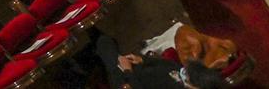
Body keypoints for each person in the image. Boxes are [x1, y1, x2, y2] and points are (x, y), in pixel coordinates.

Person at [91, 32, 226, 89]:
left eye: (187, 75)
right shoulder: (185, 74)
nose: (183, 72)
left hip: (127, 80)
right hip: (139, 67)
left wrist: (127, 70)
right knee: (106, 42)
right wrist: (143, 60)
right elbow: (170, 65)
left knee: (104, 43)